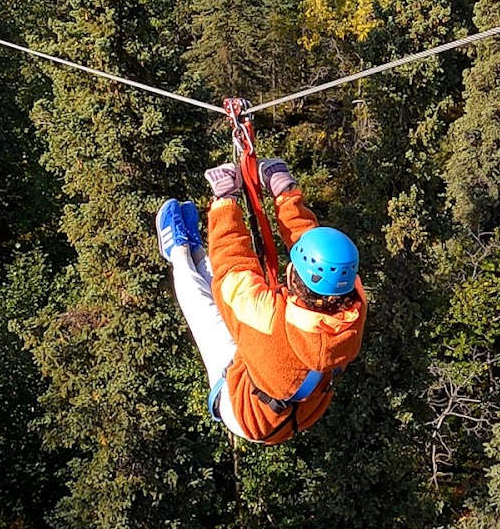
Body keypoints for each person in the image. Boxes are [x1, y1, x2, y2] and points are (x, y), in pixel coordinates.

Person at [155, 157, 366, 444]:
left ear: (293, 276)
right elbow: (315, 247)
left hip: (244, 411)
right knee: (235, 300)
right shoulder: (352, 301)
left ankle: (178, 252)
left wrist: (224, 203)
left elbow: (232, 268)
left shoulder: (268, 319)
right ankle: (197, 250)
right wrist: (285, 193)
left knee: (207, 314)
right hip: (299, 409)